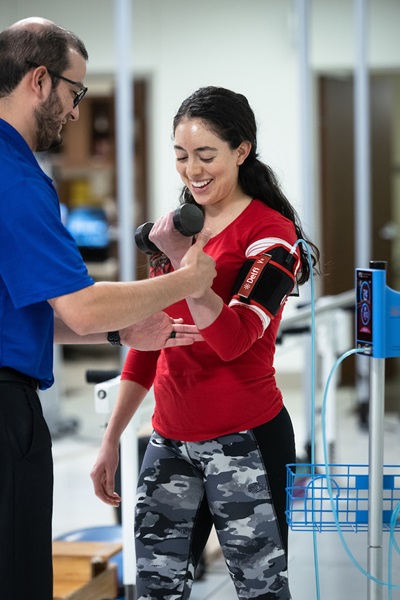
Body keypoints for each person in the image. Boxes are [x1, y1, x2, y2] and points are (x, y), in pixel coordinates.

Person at [0, 18, 216, 600]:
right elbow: (84, 306)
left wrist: (121, 334)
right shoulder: (16, 178)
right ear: (40, 80)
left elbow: (27, 310)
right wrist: (187, 279)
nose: (75, 111)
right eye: (76, 93)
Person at [91, 86, 320, 599]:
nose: (191, 169)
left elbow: (235, 340)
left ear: (242, 152)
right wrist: (111, 438)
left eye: (205, 155)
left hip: (246, 442)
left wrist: (183, 265)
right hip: (169, 440)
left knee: (260, 592)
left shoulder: (273, 237)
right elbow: (150, 341)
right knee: (154, 589)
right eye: (180, 155)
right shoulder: (179, 230)